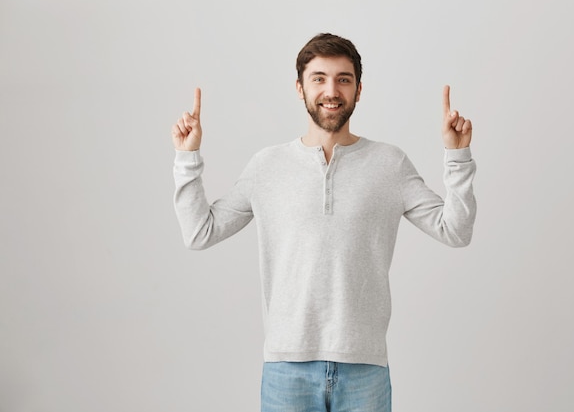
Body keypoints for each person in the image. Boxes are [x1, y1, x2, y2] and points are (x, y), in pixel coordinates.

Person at [171, 33, 476, 412]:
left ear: (358, 90)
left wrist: (457, 155)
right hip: (286, 369)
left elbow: (456, 230)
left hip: (365, 369)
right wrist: (188, 159)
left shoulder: (390, 164)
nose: (331, 90)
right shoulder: (267, 166)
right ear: (299, 88)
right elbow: (200, 233)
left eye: (343, 79)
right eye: (319, 78)